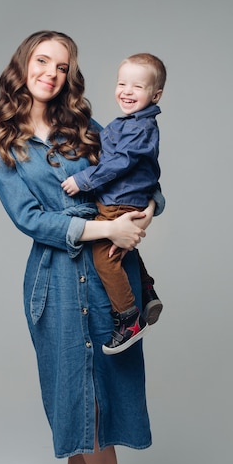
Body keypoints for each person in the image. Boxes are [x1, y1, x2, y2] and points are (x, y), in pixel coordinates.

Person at [0, 30, 164, 464]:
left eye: (62, 65)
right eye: (42, 61)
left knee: (94, 409)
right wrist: (107, 227)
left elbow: (139, 171)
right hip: (54, 287)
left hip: (110, 284)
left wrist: (145, 211)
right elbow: (32, 219)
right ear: (24, 65)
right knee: (83, 407)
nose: (51, 73)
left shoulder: (88, 128)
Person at [62, 53, 166, 355]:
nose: (127, 91)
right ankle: (145, 288)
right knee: (120, 250)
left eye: (137, 86)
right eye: (122, 83)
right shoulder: (127, 123)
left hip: (119, 202)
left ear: (155, 95)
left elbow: (119, 163)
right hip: (120, 200)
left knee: (105, 258)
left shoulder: (138, 128)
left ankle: (128, 318)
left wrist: (82, 180)